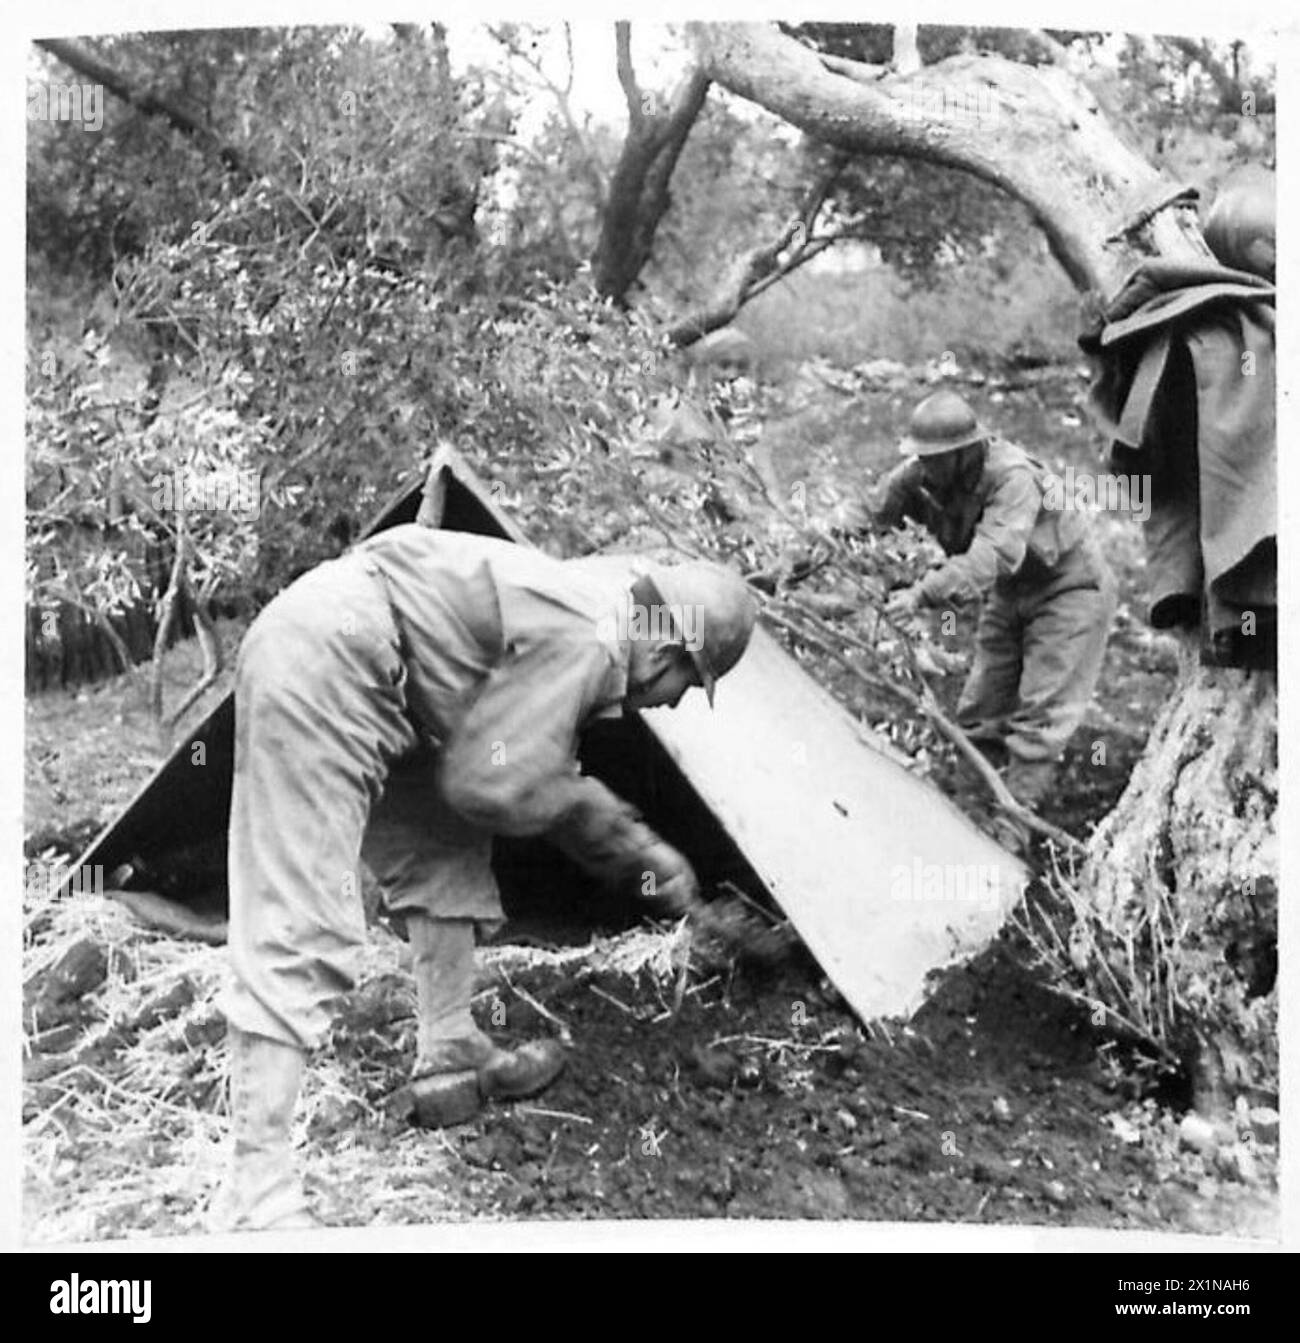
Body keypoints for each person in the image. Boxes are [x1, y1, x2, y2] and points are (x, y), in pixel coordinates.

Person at [207, 524, 757, 1232]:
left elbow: (490, 762)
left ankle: (449, 1042)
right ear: (662, 651)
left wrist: (615, 836)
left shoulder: (596, 610)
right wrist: (634, 847)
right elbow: (493, 781)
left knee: (444, 845)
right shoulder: (594, 634)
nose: (674, 703)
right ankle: (256, 1195)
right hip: (333, 656)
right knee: (298, 912)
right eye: (686, 684)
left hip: (382, 665)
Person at [859, 390, 1116, 814]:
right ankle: (966, 814)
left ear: (966, 452)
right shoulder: (920, 474)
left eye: (935, 457)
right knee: (980, 712)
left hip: (1070, 591)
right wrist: (794, 559)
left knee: (1039, 719)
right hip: (1011, 590)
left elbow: (993, 554)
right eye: (921, 456)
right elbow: (865, 512)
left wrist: (923, 593)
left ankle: (1011, 833)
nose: (925, 466)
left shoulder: (1012, 477)